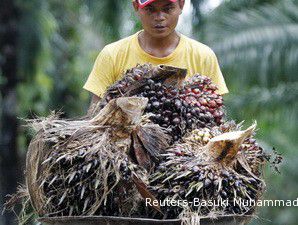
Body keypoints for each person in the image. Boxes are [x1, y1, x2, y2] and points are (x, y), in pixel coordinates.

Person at [83, 0, 229, 108]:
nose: (159, 17)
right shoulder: (112, 55)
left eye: (167, 8)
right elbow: (95, 116)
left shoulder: (203, 56)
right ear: (136, 7)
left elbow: (214, 113)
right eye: (150, 9)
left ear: (181, 5)